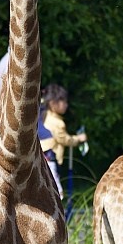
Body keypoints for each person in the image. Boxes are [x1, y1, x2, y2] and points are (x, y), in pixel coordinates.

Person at [39, 83, 87, 213]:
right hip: (50, 159)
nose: (66, 105)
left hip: (44, 156)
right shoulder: (57, 123)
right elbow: (64, 139)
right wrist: (78, 139)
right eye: (63, 101)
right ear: (53, 103)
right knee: (57, 192)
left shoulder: (44, 115)